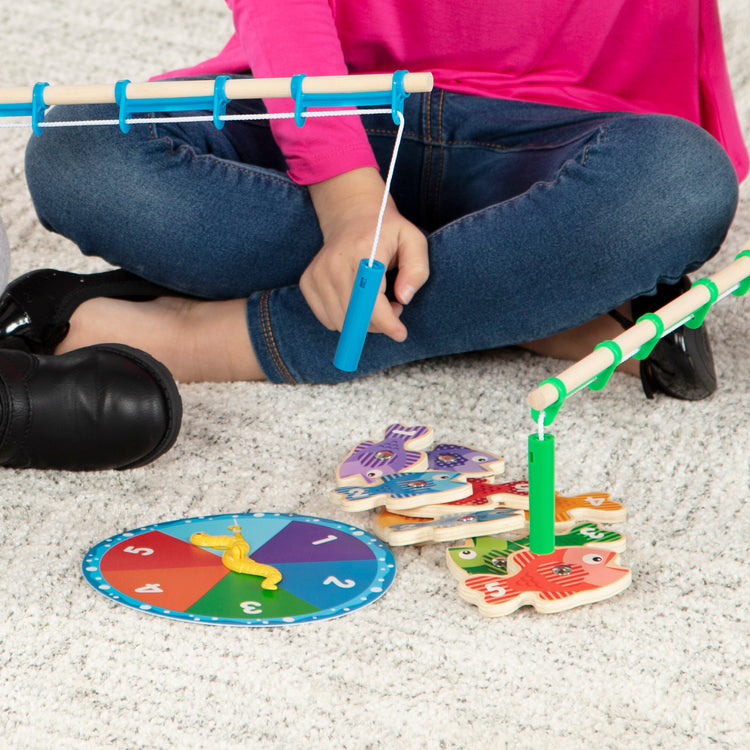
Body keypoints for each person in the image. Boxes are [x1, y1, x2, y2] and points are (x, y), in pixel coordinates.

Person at [10, 0, 748, 406]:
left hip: (572, 123)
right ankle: (525, 296)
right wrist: (349, 198)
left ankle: (229, 338)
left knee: (679, 181)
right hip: (333, 97)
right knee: (81, 148)